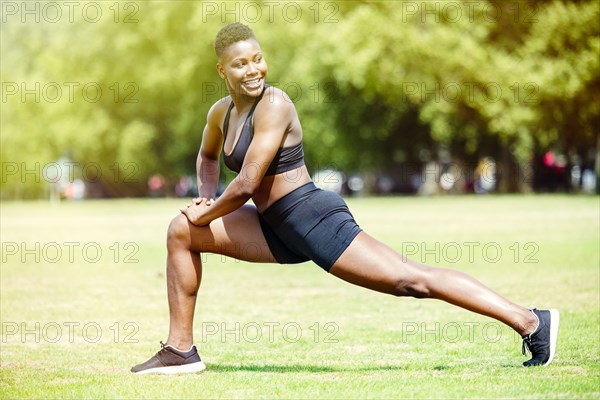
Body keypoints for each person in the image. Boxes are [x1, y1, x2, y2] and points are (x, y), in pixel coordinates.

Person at [131, 22, 559, 374]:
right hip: (273, 227)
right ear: (222, 70)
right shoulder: (220, 112)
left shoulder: (275, 105)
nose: (253, 70)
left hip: (311, 217)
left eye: (258, 59)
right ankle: (181, 350)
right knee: (181, 231)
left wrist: (208, 212)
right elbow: (208, 157)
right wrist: (204, 201)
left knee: (410, 280)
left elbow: (245, 183)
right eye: (240, 64)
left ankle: (531, 321)